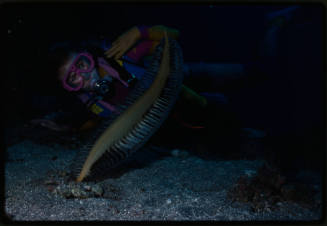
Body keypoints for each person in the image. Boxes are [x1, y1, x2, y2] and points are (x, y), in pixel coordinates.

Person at [29, 25, 260, 151]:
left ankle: (268, 36)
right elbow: (91, 123)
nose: (84, 76)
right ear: (68, 88)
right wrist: (64, 127)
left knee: (249, 73)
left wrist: (140, 32)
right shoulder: (92, 106)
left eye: (81, 64)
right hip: (185, 107)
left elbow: (174, 36)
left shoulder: (119, 56)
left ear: (89, 57)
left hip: (188, 76)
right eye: (73, 79)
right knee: (224, 110)